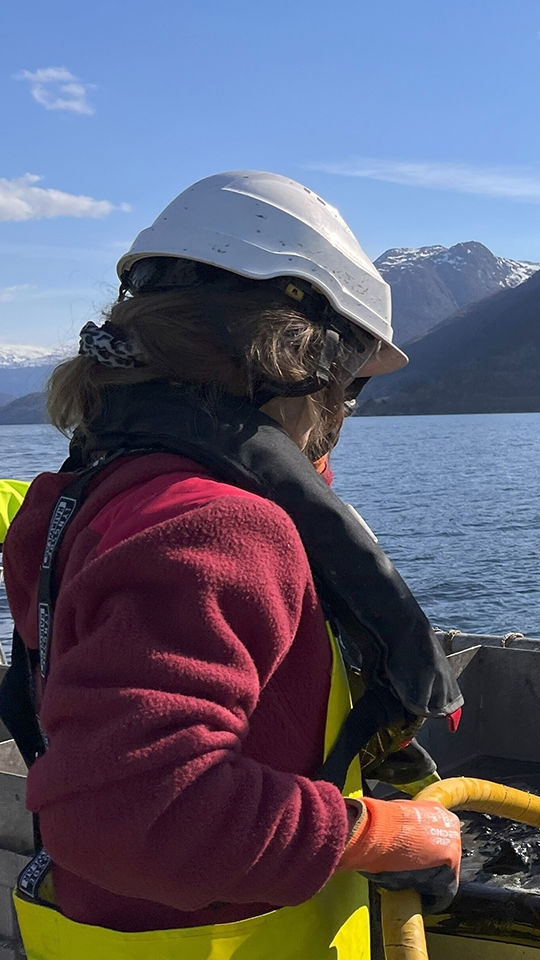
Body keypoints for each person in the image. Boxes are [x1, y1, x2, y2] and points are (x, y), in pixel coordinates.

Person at [0, 171, 464, 958]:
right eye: (349, 385)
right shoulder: (217, 525)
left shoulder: (95, 496)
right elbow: (132, 811)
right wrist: (375, 833)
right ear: (301, 357)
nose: (344, 415)